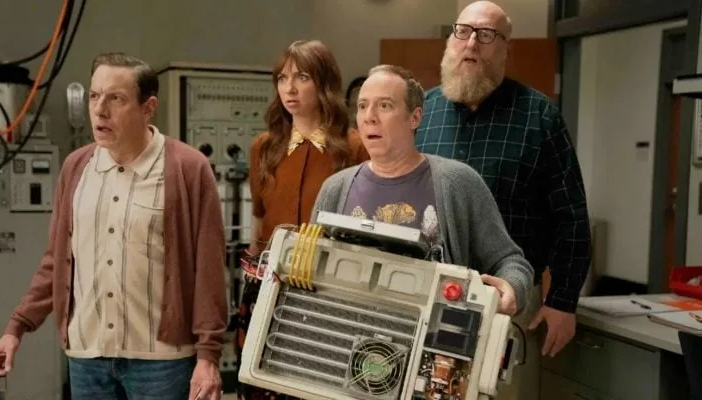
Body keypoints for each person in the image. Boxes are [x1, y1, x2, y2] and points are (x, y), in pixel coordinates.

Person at [0, 52, 227, 400]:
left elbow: (209, 270)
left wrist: (208, 356)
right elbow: (56, 261)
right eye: (94, 96)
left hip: (162, 362)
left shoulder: (188, 168)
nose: (100, 110)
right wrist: (15, 329)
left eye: (116, 99)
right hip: (87, 357)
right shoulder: (75, 167)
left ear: (148, 107)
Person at [415, 1, 592, 398]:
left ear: (505, 49)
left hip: (508, 302)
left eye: (486, 35)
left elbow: (571, 217)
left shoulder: (538, 117)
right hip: (428, 298)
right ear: (449, 42)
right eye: (462, 31)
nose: (471, 43)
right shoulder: (422, 114)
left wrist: (563, 301)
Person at [311, 64, 534, 319]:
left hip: (430, 339)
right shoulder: (335, 189)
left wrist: (513, 288)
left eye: (384, 105)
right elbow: (310, 273)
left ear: (415, 118)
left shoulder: (458, 183)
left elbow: (511, 262)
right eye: (362, 106)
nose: (369, 117)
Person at [235, 39, 368, 399]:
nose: (289, 88)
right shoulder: (264, 147)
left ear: (324, 83)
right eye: (282, 78)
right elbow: (259, 221)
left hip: (329, 294)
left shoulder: (354, 148)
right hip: (268, 285)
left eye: (302, 77)